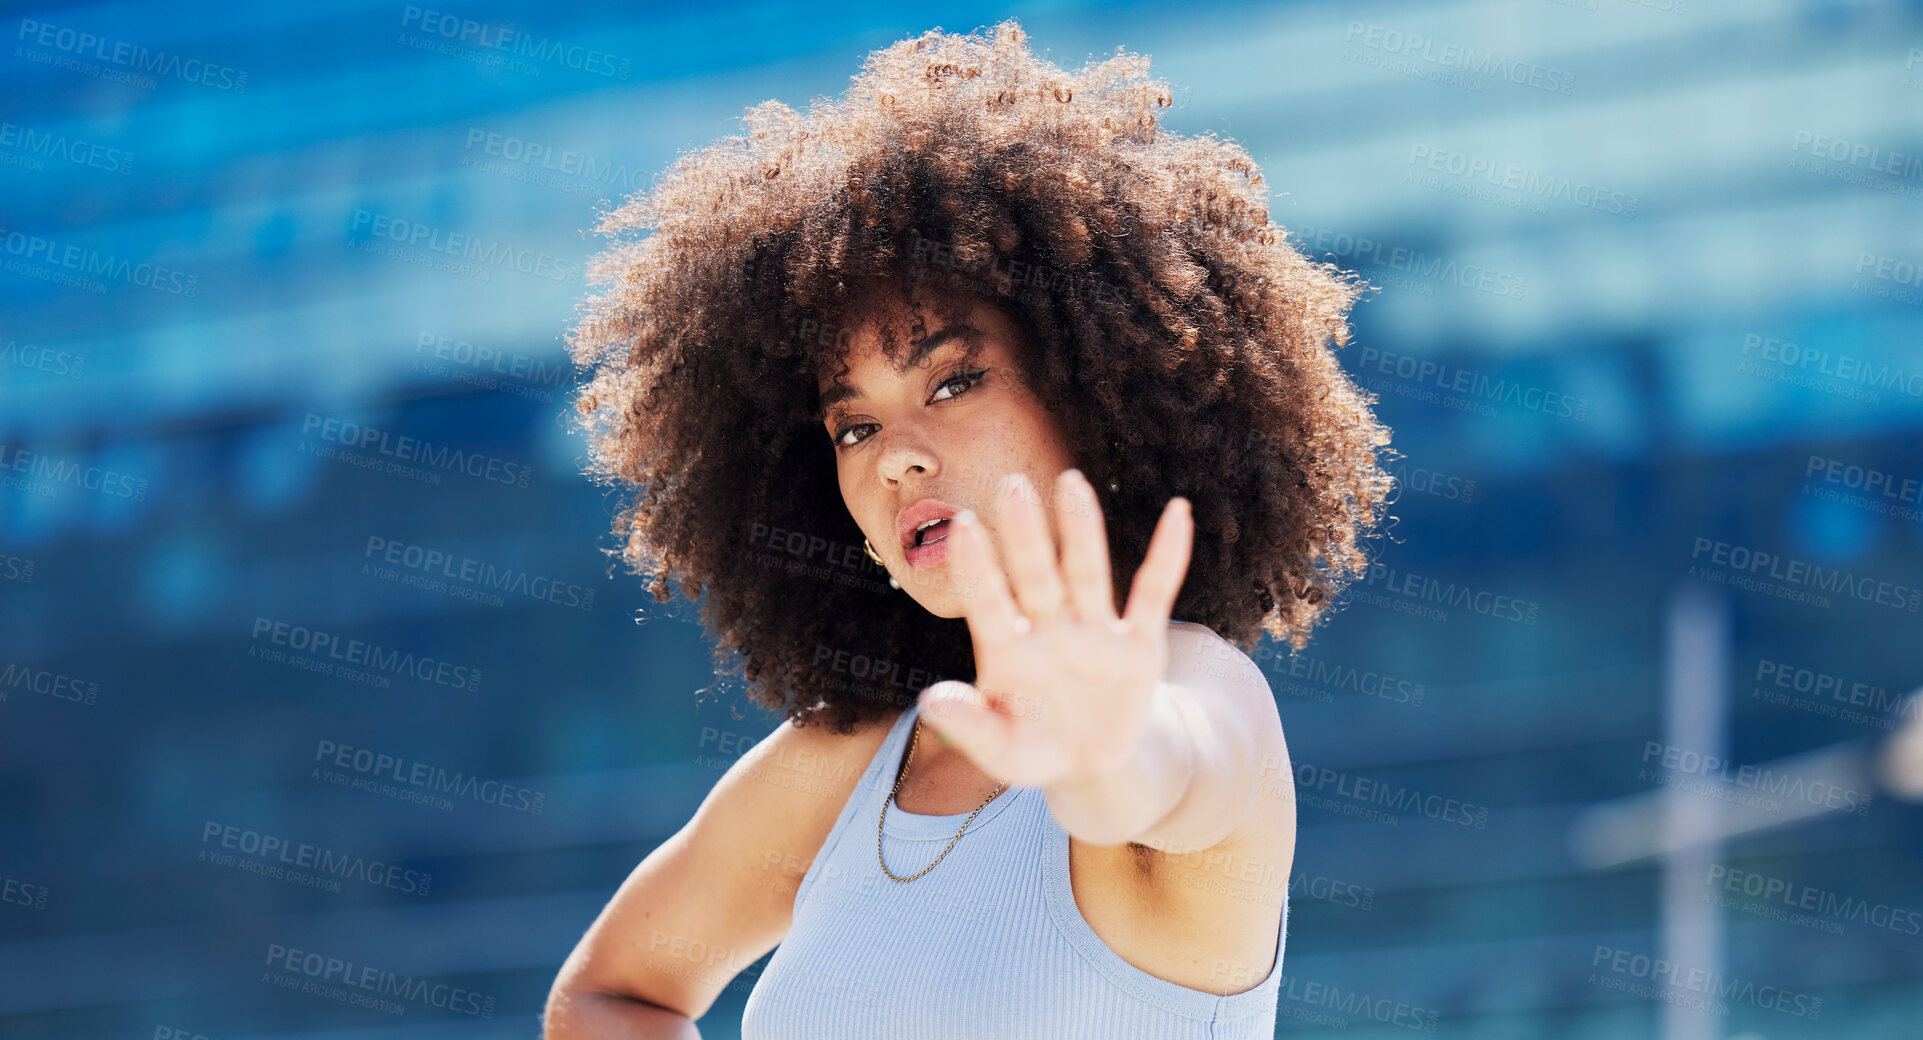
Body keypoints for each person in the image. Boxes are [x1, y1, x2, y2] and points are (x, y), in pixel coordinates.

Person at [543, 19, 1394, 1039]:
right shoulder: (853, 758)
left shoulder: (1195, 689)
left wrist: (1102, 749)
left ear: (1097, 391)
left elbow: (1166, 772)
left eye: (953, 380)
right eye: (852, 423)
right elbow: (613, 995)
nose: (892, 452)